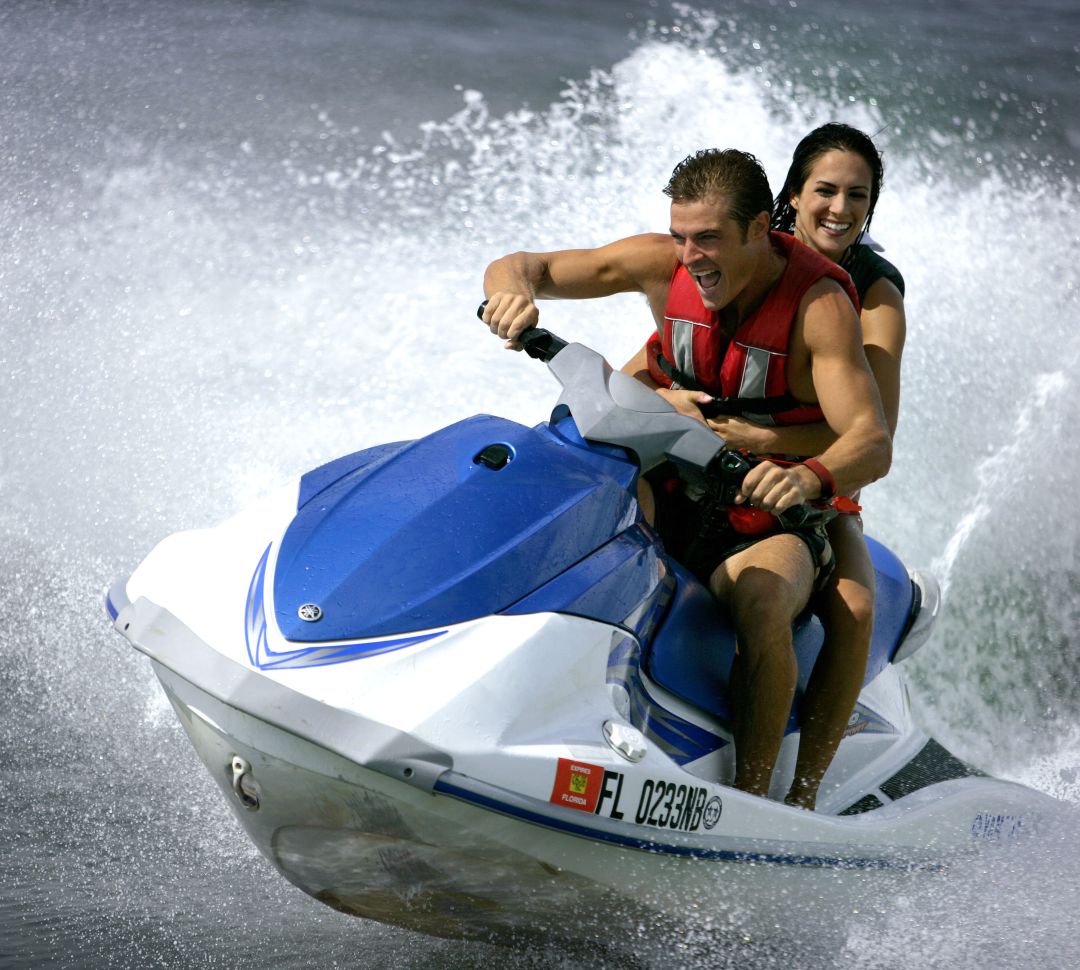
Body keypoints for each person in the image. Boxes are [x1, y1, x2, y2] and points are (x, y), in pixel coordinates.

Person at [480, 147, 892, 805]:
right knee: (572, 503)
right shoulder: (661, 263)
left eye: (708, 238)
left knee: (762, 599)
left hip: (763, 514)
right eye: (680, 237)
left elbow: (871, 441)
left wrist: (811, 477)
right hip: (670, 484)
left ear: (761, 228)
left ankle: (762, 801)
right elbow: (526, 267)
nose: (691, 255)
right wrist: (509, 296)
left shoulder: (821, 306)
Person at [698, 124, 905, 809]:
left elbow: (871, 435)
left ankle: (801, 799)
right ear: (792, 195)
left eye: (857, 195)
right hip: (712, 453)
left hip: (814, 475)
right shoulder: (747, 251)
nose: (840, 208)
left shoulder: (872, 293)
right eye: (825, 190)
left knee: (853, 604)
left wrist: (762, 438)